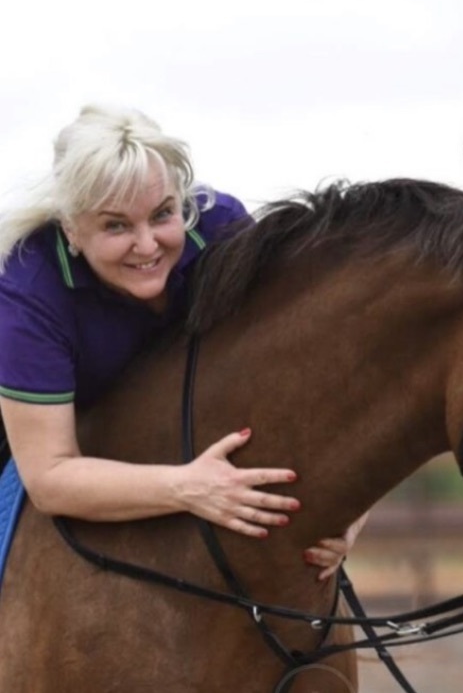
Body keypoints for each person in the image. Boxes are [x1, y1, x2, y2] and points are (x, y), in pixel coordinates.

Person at [0, 105, 366, 581]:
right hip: (41, 438)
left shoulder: (222, 230)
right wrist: (188, 487)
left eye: (162, 214)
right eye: (116, 225)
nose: (148, 244)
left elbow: (301, 376)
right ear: (72, 229)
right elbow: (50, 478)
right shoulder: (27, 295)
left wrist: (351, 502)